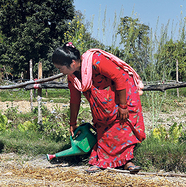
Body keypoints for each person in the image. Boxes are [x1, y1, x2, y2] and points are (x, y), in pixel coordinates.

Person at [52, 43, 146, 173]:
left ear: (72, 63)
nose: (59, 71)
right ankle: (101, 162)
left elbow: (119, 77)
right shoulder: (72, 78)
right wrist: (72, 123)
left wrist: (123, 106)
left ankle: (127, 161)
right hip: (102, 106)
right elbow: (74, 100)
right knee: (104, 129)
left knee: (123, 127)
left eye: (60, 67)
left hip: (122, 94)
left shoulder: (96, 60)